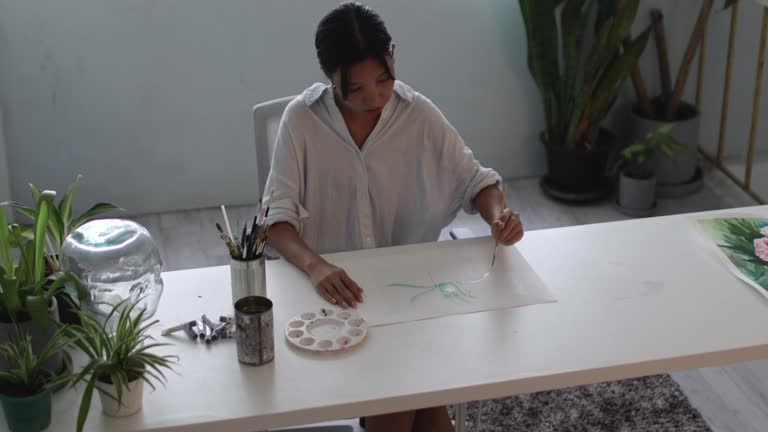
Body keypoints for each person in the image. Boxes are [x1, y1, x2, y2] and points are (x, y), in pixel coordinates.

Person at [263, 3, 524, 431]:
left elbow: (478, 182)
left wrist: (499, 218)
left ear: (393, 54)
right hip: (332, 298)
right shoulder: (302, 121)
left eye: (384, 80)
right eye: (357, 89)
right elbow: (276, 221)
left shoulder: (416, 112)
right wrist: (316, 265)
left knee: (411, 395)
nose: (375, 98)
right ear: (330, 77)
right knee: (415, 397)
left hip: (409, 293)